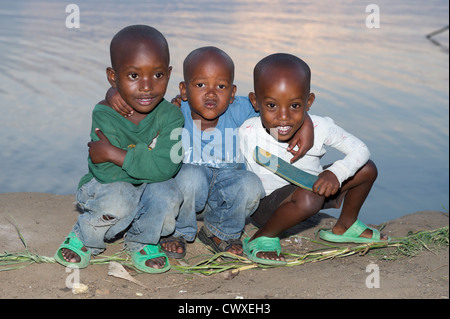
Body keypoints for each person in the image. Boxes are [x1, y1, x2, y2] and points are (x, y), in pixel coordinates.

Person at [107, 46, 314, 257]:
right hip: (188, 198)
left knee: (250, 182)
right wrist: (113, 93)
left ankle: (220, 232)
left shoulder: (240, 109)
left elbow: (278, 108)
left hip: (225, 195)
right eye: (200, 85)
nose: (211, 93)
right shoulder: (174, 111)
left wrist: (306, 123)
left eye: (221, 86)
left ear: (232, 93)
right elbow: (139, 105)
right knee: (190, 175)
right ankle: (178, 232)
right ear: (184, 90)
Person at [54, 25, 185, 273]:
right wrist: (148, 165)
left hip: (144, 187)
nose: (147, 86)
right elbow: (107, 174)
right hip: (102, 188)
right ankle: (85, 238)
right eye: (134, 76)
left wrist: (115, 153)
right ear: (113, 78)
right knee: (120, 198)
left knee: (167, 193)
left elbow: (166, 168)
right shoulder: (105, 113)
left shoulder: (172, 117)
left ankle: (141, 240)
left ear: (168, 74)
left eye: (157, 75)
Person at [239, 53, 387, 265]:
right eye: (272, 105)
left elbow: (361, 149)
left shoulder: (320, 127)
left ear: (308, 102)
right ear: (255, 101)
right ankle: (263, 236)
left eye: (295, 106)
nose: (283, 116)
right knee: (310, 196)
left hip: (314, 187)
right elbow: (216, 108)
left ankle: (345, 225)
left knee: (367, 168)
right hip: (268, 206)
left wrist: (336, 172)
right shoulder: (247, 131)